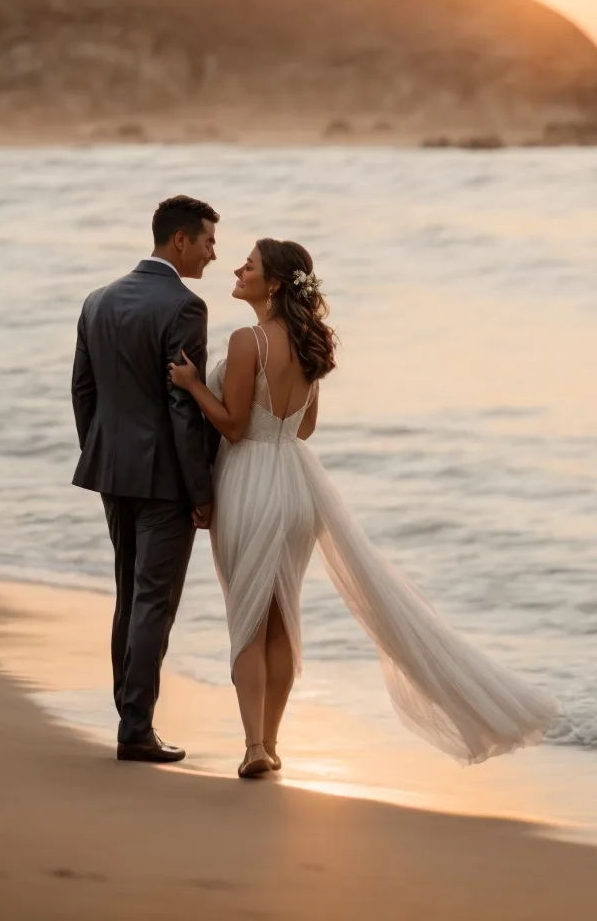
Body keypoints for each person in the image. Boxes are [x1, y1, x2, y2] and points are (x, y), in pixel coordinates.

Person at [168, 237, 556, 777]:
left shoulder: (245, 341)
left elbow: (232, 425)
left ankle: (255, 746)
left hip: (250, 482)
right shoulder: (310, 342)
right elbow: (304, 426)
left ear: (273, 284)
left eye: (249, 265)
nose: (237, 267)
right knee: (281, 619)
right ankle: (272, 744)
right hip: (298, 485)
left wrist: (191, 385)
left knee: (248, 620)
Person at [71, 195, 221, 764]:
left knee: (129, 594)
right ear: (179, 240)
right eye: (208, 241)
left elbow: (83, 390)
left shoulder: (98, 300)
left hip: (112, 469)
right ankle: (136, 729)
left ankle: (130, 717)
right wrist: (201, 492)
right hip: (164, 479)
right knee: (154, 600)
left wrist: (102, 451)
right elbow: (182, 409)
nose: (213, 253)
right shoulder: (185, 307)